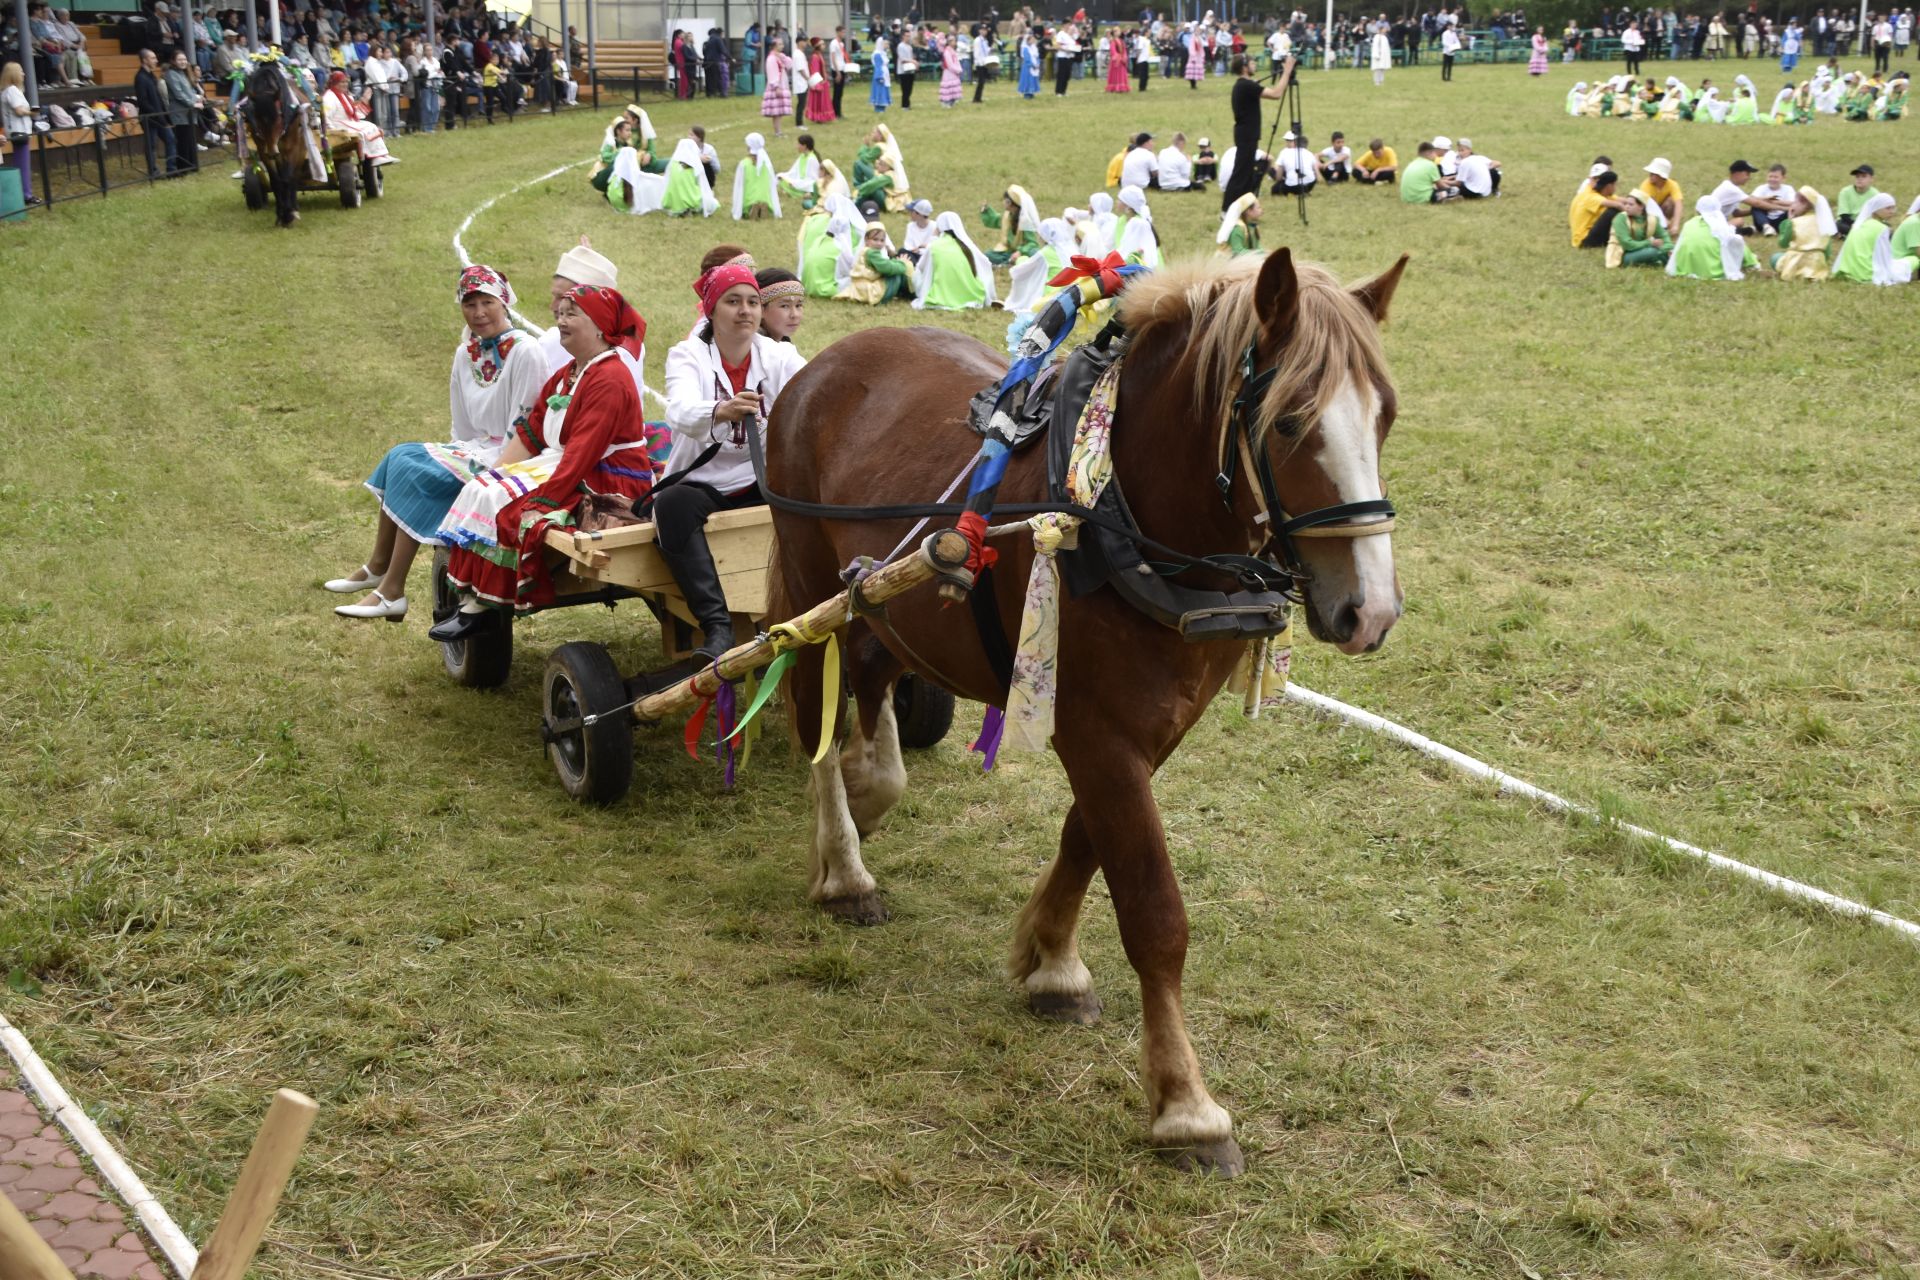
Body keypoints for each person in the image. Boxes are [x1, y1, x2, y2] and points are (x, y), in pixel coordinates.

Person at [430, 284, 653, 639]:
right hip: (568, 463)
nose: (561, 321)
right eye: (559, 314)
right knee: (481, 489)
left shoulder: (610, 377)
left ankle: (488, 604)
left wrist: (544, 501)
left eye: (572, 314)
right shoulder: (571, 372)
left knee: (506, 507)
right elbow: (533, 429)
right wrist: (497, 471)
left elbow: (584, 452)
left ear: (599, 325)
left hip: (605, 477)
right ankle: (471, 594)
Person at [329, 266, 546, 621]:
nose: (478, 313)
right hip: (475, 447)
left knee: (420, 476)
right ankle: (378, 566)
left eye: (486, 302)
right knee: (400, 456)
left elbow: (525, 425)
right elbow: (461, 425)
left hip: (510, 457)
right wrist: (455, 454)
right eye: (469, 303)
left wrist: (486, 467)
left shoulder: (526, 351)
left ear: (504, 302)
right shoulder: (466, 354)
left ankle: (391, 589)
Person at [658, 265, 809, 662]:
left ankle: (809, 608)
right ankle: (717, 625)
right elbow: (680, 409)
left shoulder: (778, 355)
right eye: (733, 301)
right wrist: (721, 409)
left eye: (753, 303)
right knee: (671, 505)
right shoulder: (687, 354)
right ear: (712, 311)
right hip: (702, 478)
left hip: (761, 478)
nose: (745, 311)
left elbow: (813, 393)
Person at [1221, 52, 1297, 213]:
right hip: (1247, 135)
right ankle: (1226, 210)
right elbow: (1276, 94)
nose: (1255, 65)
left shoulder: (1243, 85)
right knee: (1241, 174)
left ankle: (1242, 208)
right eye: (1252, 62)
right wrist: (1287, 71)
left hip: (1246, 134)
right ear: (1244, 67)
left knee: (1246, 173)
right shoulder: (1246, 86)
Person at [913, 209, 996, 308]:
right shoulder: (967, 246)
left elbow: (920, 268)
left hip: (941, 295)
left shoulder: (935, 246)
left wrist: (933, 237)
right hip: (973, 296)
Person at [1668, 194, 1757, 279]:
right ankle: (1750, 263)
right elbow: (1735, 242)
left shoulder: (1688, 224)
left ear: (1697, 210)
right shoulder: (1719, 225)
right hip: (1712, 272)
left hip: (1685, 269)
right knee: (1736, 239)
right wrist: (1752, 261)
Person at [322, 68, 393, 168]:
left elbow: (354, 113)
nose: (345, 84)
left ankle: (381, 154)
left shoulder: (344, 96)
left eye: (346, 82)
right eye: (342, 82)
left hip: (347, 122)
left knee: (372, 126)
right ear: (335, 83)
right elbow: (325, 115)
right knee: (365, 130)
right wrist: (331, 129)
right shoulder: (329, 97)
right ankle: (373, 156)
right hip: (338, 125)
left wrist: (364, 100)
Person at [1832, 191, 1909, 281]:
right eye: (1888, 208)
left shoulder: (1860, 224)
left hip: (1849, 270)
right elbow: (1883, 258)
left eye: (1893, 208)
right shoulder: (1881, 228)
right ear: (1876, 209)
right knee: (1912, 260)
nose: (1892, 212)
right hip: (1867, 273)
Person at [1770, 184, 1838, 280]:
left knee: (1775, 257)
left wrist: (1788, 221)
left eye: (1795, 202)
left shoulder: (1794, 222)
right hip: (1817, 264)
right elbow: (1827, 251)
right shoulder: (1824, 223)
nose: (1792, 205)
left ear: (1804, 205)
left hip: (1795, 263)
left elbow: (1783, 243)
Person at [837, 222, 916, 303]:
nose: (879, 243)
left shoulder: (865, 251)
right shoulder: (872, 253)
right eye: (875, 239)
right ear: (866, 240)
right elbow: (887, 268)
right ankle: (910, 294)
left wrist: (896, 262)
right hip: (871, 291)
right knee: (896, 275)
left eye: (882, 240)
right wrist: (902, 264)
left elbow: (884, 263)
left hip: (863, 287)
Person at [1605, 191, 1673, 266]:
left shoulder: (1652, 219)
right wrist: (1649, 243)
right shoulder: (1620, 219)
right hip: (1622, 254)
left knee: (1672, 249)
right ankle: (1670, 262)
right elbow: (1627, 244)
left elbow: (1665, 237)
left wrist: (1666, 248)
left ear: (1641, 206)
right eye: (1626, 204)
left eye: (1631, 204)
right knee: (1653, 251)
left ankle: (1669, 260)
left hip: (1643, 250)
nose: (1627, 206)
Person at [662, 131, 720, 216]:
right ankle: (689, 207)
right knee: (712, 203)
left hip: (674, 201)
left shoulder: (673, 164)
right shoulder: (695, 165)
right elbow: (702, 184)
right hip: (691, 198)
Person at [1571, 168, 1631, 246]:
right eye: (1615, 184)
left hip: (1589, 232)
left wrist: (1637, 201)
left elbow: (1620, 200)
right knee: (1612, 212)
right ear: (1609, 186)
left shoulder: (1600, 192)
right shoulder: (1590, 196)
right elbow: (1617, 205)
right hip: (1584, 239)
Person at [732, 131, 780, 219]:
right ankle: (763, 205)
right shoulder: (766, 163)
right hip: (765, 196)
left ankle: (750, 207)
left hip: (749, 197)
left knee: (748, 193)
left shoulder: (744, 164)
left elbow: (739, 186)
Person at [756, 266, 808, 341]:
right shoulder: (752, 349)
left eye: (798, 305)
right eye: (784, 306)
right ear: (761, 310)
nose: (795, 315)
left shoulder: (783, 344)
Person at [1835, 164, 1879, 236]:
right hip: (1848, 222)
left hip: (1867, 223)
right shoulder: (1845, 192)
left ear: (1871, 179)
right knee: (1839, 225)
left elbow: (1877, 215)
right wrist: (1855, 224)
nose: (1859, 179)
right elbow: (1844, 215)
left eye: (1863, 176)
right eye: (1857, 176)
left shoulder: (1876, 194)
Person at [761, 35, 792, 135]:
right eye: (780, 44)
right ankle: (777, 131)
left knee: (779, 111)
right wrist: (776, 86)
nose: (782, 46)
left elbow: (789, 65)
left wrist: (783, 57)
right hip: (776, 86)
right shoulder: (771, 58)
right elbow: (772, 72)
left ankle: (779, 130)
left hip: (782, 84)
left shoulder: (779, 57)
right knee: (776, 112)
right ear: (774, 46)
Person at [1638, 158, 1683, 225]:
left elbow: (1678, 204)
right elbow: (1646, 207)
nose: (1650, 175)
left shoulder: (1672, 185)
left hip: (1661, 209)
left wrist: (1675, 225)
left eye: (1653, 173)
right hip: (1648, 212)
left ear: (1661, 176)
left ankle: (1664, 225)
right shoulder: (1645, 185)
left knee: (1671, 201)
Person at [778, 133, 820, 205]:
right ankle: (797, 191)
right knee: (780, 177)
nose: (797, 146)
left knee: (800, 184)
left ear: (805, 146)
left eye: (799, 144)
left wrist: (797, 182)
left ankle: (804, 193)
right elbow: (794, 171)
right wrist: (790, 179)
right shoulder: (802, 156)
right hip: (800, 180)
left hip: (807, 182)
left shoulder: (811, 159)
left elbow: (813, 178)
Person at [1274, 131, 1318, 198]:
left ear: (1295, 142)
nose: (1288, 143)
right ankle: (1304, 191)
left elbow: (1278, 177)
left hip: (1292, 186)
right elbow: (1316, 174)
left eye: (1290, 141)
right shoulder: (1309, 153)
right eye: (1287, 141)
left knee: (1275, 188)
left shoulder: (1284, 153)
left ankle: (1296, 192)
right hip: (1309, 185)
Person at [1217, 191, 1262, 255]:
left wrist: (1264, 253)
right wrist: (1257, 254)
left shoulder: (1253, 226)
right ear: (1249, 211)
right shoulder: (1237, 229)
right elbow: (1237, 251)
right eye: (1258, 207)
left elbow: (1257, 246)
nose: (1261, 210)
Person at [806, 37, 836, 121]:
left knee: (823, 101)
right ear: (817, 45)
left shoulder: (819, 55)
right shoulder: (815, 56)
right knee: (819, 101)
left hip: (823, 81)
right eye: (822, 44)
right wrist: (818, 83)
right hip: (820, 81)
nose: (824, 46)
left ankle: (823, 117)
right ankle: (818, 117)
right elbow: (815, 71)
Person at [830, 25, 853, 116]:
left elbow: (842, 57)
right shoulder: (833, 43)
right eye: (842, 32)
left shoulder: (841, 43)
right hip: (837, 70)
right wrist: (837, 72)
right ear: (838, 32)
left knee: (840, 92)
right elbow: (833, 58)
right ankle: (835, 112)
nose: (844, 34)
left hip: (842, 68)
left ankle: (838, 111)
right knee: (836, 92)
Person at [938, 32, 963, 107]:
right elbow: (949, 64)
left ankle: (952, 100)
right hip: (949, 72)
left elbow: (956, 61)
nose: (954, 42)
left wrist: (959, 68)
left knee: (953, 87)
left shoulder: (952, 50)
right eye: (953, 41)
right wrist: (957, 70)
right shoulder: (947, 51)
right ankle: (946, 102)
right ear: (949, 42)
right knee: (948, 86)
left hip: (954, 72)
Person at [897, 28, 918, 109]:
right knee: (905, 89)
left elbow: (911, 56)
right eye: (906, 36)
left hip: (910, 70)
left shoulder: (909, 46)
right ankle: (904, 105)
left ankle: (908, 104)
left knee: (909, 88)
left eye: (909, 36)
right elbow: (902, 59)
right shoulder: (900, 46)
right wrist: (912, 61)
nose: (908, 38)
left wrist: (914, 61)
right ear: (903, 36)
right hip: (903, 71)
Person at [1017, 30, 1042, 97]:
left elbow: (1037, 56)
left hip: (1035, 66)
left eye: (1033, 39)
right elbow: (1027, 59)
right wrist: (1032, 65)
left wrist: (1037, 64)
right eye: (1031, 40)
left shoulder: (1034, 48)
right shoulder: (1025, 49)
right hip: (1028, 67)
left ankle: (1032, 92)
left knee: (1033, 79)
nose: (1032, 41)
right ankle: (1027, 93)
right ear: (1027, 41)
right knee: (1027, 79)